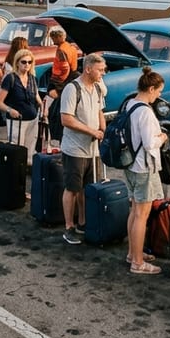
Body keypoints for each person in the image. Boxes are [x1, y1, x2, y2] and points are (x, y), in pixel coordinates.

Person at [59, 53, 107, 245]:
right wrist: (92, 131)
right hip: (75, 149)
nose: (103, 73)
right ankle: (69, 227)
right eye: (100, 70)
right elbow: (66, 119)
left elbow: (99, 110)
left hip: (92, 149)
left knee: (85, 189)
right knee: (72, 188)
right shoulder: (72, 89)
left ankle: (83, 222)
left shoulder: (96, 88)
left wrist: (102, 129)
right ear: (88, 69)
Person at [124, 67, 168, 275]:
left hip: (130, 165)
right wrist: (163, 137)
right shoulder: (146, 112)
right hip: (144, 166)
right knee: (142, 214)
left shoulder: (130, 104)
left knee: (134, 210)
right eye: (158, 91)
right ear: (151, 88)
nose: (159, 96)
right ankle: (138, 262)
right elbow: (151, 143)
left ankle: (133, 253)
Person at [0, 48, 42, 161]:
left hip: (33, 119)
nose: (27, 65)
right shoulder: (10, 78)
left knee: (30, 151)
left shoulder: (32, 78)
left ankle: (27, 174)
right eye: (24, 62)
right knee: (17, 151)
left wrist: (43, 107)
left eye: (29, 62)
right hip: (17, 121)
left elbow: (36, 95)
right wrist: (10, 110)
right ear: (17, 63)